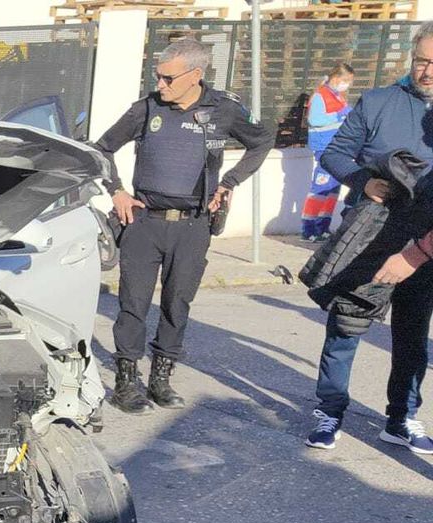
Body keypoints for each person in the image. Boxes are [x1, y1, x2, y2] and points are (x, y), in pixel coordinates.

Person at [93, 36, 275, 414]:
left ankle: (160, 378)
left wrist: (230, 182)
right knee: (132, 306)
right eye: (158, 76)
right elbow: (103, 147)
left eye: (168, 78)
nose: (160, 84)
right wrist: (117, 191)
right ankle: (127, 381)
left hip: (193, 226)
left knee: (178, 304)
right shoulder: (147, 109)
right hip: (144, 221)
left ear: (195, 75)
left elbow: (262, 141)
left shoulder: (223, 109)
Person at [305, 22, 433, 453]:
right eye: (421, 61)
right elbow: (336, 152)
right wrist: (364, 182)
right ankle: (329, 411)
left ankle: (401, 418)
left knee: (413, 336)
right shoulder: (378, 101)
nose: (427, 71)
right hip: (371, 235)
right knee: (346, 326)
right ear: (411, 60)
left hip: (425, 244)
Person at [301, 63, 354, 241]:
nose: (347, 85)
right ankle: (308, 229)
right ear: (336, 78)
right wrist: (340, 116)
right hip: (324, 147)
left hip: (337, 147)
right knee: (320, 188)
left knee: (333, 190)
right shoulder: (320, 96)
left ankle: (323, 227)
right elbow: (315, 120)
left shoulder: (338, 96)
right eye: (345, 81)